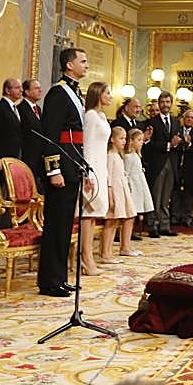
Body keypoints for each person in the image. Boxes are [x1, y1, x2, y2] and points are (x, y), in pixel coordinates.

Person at [37, 47, 90, 297]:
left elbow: (76, 138)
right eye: (83, 61)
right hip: (60, 170)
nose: (86, 65)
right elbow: (50, 136)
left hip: (72, 167)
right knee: (55, 226)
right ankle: (49, 281)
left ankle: (60, 277)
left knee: (65, 226)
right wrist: (53, 169)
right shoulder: (58, 93)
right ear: (69, 65)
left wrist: (83, 167)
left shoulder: (75, 92)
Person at [79, 81, 113, 274]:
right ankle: (85, 258)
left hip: (101, 167)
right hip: (91, 169)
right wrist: (88, 173)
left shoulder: (101, 116)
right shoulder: (90, 116)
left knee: (94, 215)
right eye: (107, 92)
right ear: (98, 94)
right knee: (87, 213)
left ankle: (89, 256)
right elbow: (88, 146)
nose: (110, 96)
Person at [143, 90, 179, 237]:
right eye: (162, 102)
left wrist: (181, 142)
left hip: (172, 162)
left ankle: (165, 225)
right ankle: (153, 226)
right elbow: (150, 144)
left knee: (166, 197)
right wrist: (169, 145)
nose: (165, 105)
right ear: (159, 104)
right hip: (157, 163)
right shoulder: (152, 122)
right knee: (155, 196)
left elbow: (178, 139)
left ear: (171, 104)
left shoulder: (176, 121)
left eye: (168, 102)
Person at [101, 125, 136, 263]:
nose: (124, 141)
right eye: (121, 138)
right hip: (114, 191)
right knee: (110, 222)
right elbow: (108, 177)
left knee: (115, 221)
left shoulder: (118, 155)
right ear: (112, 139)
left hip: (121, 190)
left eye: (125, 138)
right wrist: (110, 195)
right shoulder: (110, 156)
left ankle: (109, 252)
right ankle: (105, 253)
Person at [0, 78, 27, 173]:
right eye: (17, 88)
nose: (21, 90)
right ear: (7, 90)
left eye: (21, 88)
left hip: (12, 159)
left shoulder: (15, 108)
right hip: (0, 161)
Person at [124, 128, 154, 250]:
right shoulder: (128, 156)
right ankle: (125, 242)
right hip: (132, 187)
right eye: (139, 140)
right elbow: (126, 173)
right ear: (131, 141)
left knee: (134, 214)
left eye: (142, 140)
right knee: (130, 214)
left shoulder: (136, 155)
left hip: (139, 185)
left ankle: (128, 242)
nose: (142, 142)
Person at [169, 108, 193, 227]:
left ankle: (187, 216)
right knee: (175, 191)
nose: (189, 120)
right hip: (176, 165)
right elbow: (173, 145)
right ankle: (175, 215)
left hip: (189, 167)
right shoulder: (177, 130)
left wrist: (189, 143)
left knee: (188, 192)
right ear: (183, 119)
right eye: (187, 117)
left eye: (192, 118)